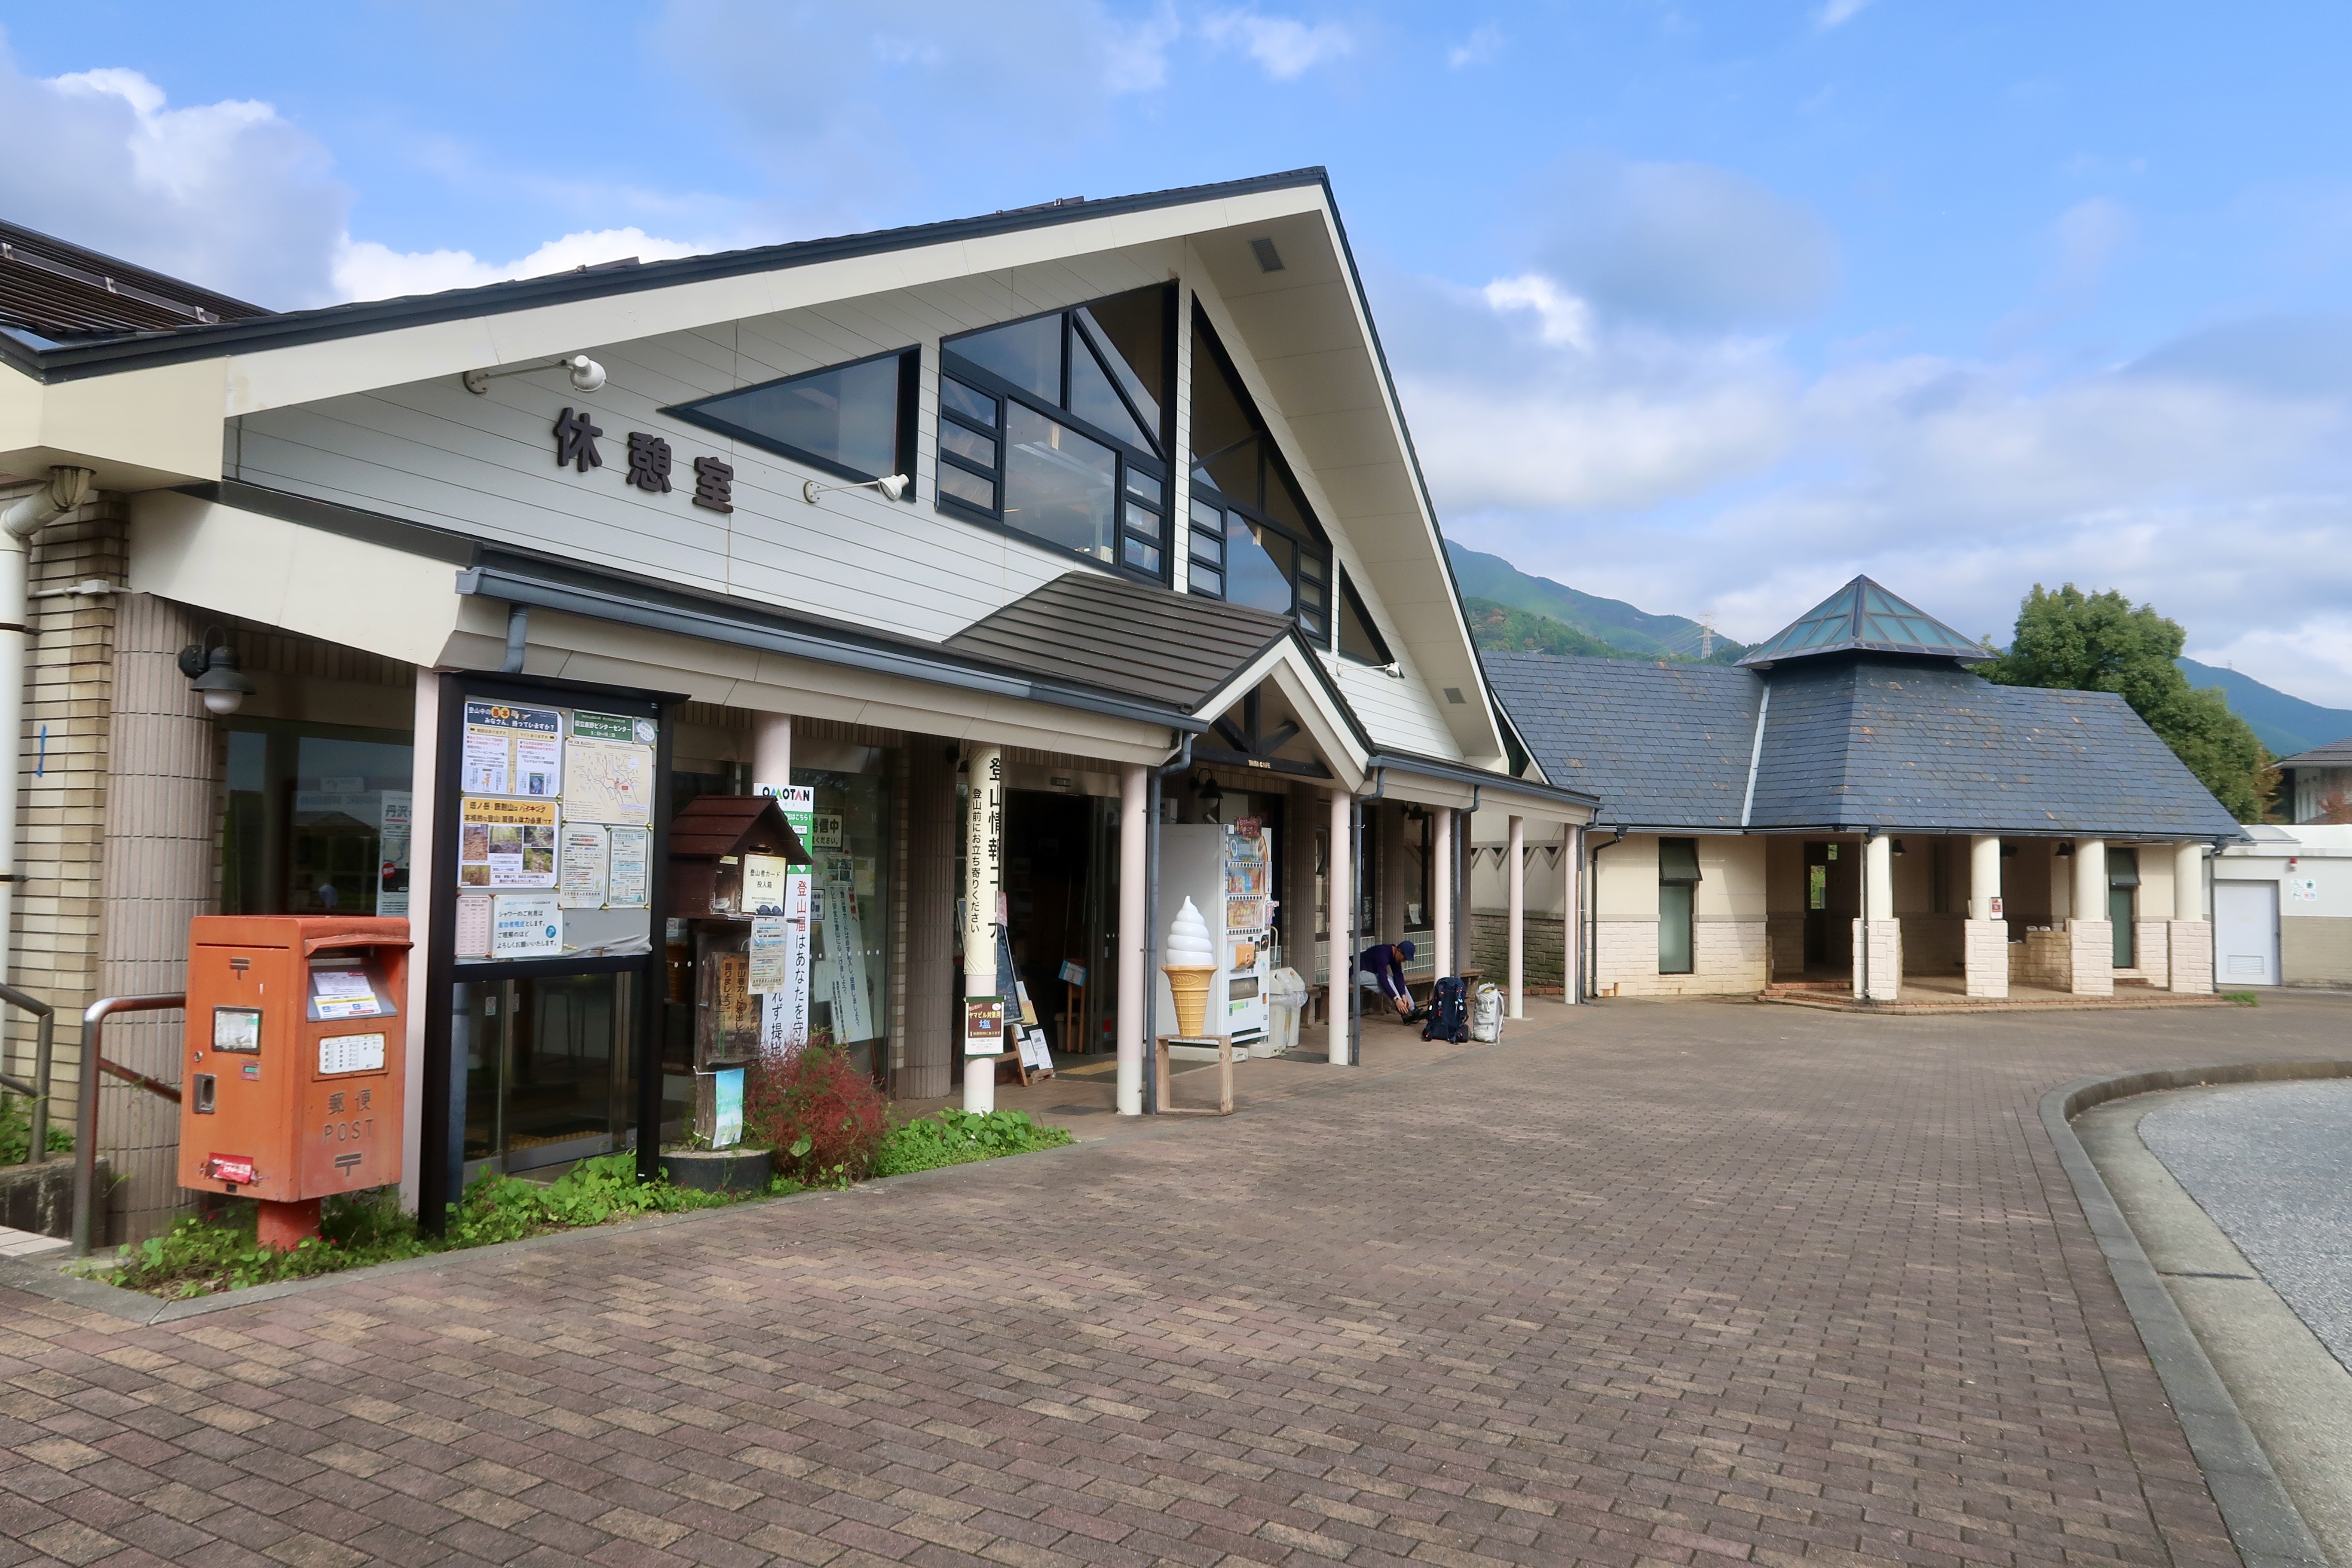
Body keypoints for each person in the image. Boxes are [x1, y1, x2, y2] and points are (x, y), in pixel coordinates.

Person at [1358, 938, 1418, 1022]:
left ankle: (1413, 1009)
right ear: (1398, 951)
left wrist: (1403, 995)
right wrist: (1397, 1000)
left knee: (1392, 980)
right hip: (1358, 974)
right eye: (1404, 958)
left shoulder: (1395, 956)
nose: (1403, 961)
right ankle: (1404, 1013)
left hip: (1369, 975)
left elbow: (1398, 977)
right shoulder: (1382, 953)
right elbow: (1383, 979)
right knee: (1387, 982)